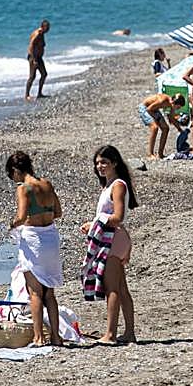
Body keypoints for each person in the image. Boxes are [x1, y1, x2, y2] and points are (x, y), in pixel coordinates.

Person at [6, 151, 63, 347]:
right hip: (51, 237)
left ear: (16, 170)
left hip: (33, 239)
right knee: (50, 293)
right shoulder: (47, 184)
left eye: (12, 175)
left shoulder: (24, 188)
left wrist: (11, 224)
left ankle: (39, 337)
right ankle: (56, 337)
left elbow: (22, 217)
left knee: (35, 292)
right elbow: (58, 212)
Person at [81, 145, 138, 345]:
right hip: (114, 237)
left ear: (114, 163)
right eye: (97, 163)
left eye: (104, 162)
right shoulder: (109, 186)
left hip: (114, 238)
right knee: (121, 288)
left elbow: (118, 217)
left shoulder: (118, 185)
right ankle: (129, 333)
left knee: (111, 287)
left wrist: (95, 223)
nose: (100, 166)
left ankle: (111, 334)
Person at [139, 92, 185, 158]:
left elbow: (171, 119)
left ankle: (160, 154)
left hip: (154, 109)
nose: (178, 109)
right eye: (178, 107)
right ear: (173, 103)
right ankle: (150, 154)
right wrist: (156, 119)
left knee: (166, 128)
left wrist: (179, 129)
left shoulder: (171, 104)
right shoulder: (162, 101)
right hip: (145, 108)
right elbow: (149, 109)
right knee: (154, 128)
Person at [25, 19, 51, 101]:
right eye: (47, 28)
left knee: (44, 74)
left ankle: (39, 93)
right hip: (34, 57)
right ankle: (27, 95)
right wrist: (34, 59)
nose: (48, 29)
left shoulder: (42, 33)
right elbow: (31, 46)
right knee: (32, 76)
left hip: (39, 57)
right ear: (43, 27)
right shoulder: (38, 34)